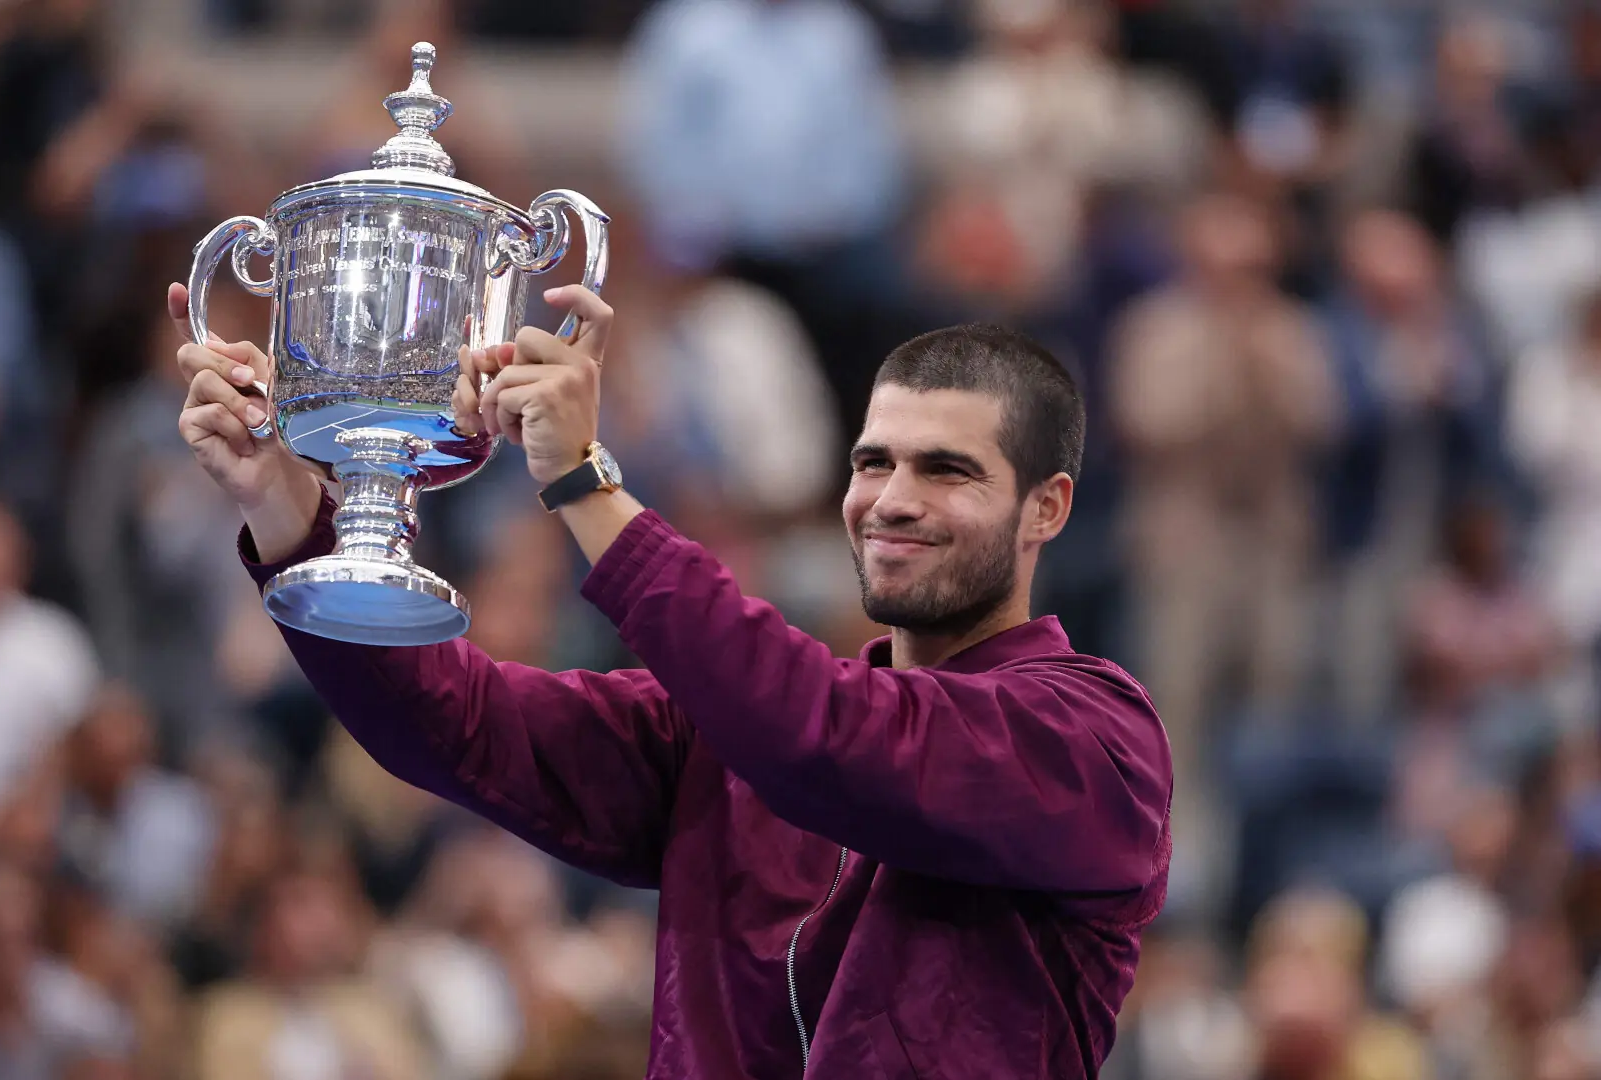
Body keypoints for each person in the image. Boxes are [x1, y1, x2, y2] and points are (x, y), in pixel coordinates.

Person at [168, 280, 1173, 1078]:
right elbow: (453, 720)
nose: (891, 502)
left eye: (947, 471)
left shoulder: (1096, 742)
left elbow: (832, 742)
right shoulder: (725, 735)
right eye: (874, 463)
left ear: (1047, 509)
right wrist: (297, 521)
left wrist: (583, 484)